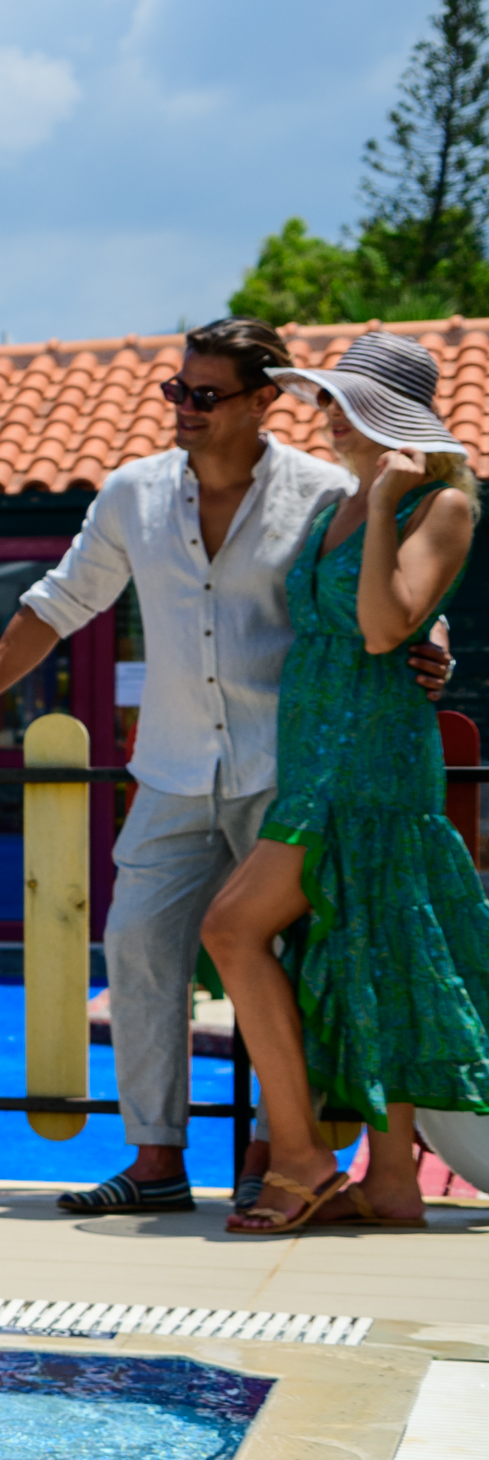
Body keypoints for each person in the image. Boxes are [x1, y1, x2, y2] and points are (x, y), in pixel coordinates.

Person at [0, 318, 445, 1215]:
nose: (185, 409)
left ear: (261, 402)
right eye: (178, 391)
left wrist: (435, 644)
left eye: (206, 396)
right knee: (137, 944)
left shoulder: (323, 491)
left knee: (295, 958)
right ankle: (156, 1161)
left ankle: (279, 1151)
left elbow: (377, 594)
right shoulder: (132, 494)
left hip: (288, 769)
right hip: (168, 766)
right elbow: (59, 602)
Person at [199, 332, 489, 1234]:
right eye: (324, 399)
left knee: (231, 927)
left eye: (338, 400)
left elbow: (380, 627)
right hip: (317, 760)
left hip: (371, 767)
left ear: (383, 413)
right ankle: (392, 1185)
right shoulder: (342, 504)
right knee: (367, 960)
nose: (322, 416)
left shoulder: (439, 504)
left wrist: (393, 499)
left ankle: (301, 1160)